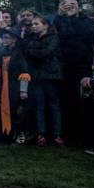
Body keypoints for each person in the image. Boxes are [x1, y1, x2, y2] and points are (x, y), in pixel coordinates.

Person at [54, 0, 94, 145]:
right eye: (67, 5)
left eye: (73, 5)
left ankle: (85, 136)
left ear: (80, 8)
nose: (70, 7)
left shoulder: (87, 22)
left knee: (82, 100)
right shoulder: (60, 20)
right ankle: (69, 135)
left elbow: (86, 34)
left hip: (82, 67)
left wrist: (70, 18)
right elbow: (59, 33)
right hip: (64, 67)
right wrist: (61, 16)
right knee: (66, 100)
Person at [24, 16, 64, 147]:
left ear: (45, 25)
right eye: (33, 24)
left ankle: (57, 134)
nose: (33, 26)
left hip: (51, 75)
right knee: (40, 105)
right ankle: (42, 134)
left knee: (53, 104)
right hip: (37, 76)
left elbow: (46, 53)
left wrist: (35, 52)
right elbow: (28, 52)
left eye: (36, 24)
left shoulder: (54, 38)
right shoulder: (32, 38)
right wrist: (37, 52)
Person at [0, 28, 31, 143]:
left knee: (17, 111)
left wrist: (23, 90)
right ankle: (7, 134)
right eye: (3, 37)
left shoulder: (19, 53)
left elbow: (24, 72)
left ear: (14, 40)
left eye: (7, 38)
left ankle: (19, 132)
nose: (4, 40)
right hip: (4, 86)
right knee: (6, 109)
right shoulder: (2, 52)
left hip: (15, 86)